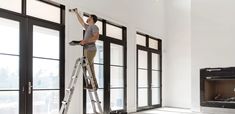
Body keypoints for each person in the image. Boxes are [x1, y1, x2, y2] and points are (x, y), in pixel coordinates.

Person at [70, 8, 99, 90]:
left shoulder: (94, 26)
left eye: (89, 17)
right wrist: (76, 13)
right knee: (89, 67)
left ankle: (93, 85)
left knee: (87, 67)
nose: (87, 18)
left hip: (90, 49)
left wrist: (85, 41)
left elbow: (96, 37)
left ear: (92, 19)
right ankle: (94, 84)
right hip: (87, 49)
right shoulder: (88, 27)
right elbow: (81, 21)